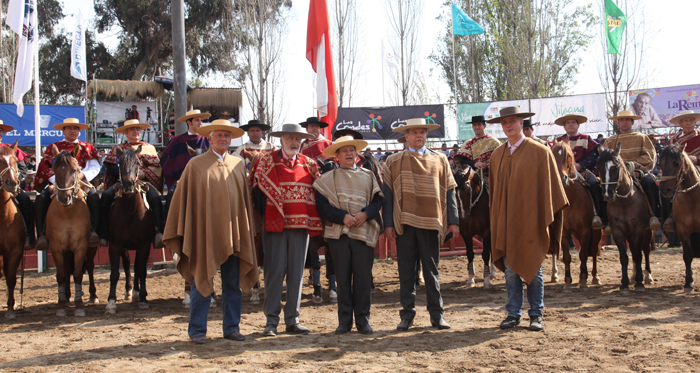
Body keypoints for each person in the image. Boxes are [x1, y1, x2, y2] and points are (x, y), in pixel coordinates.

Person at [163, 119, 259, 344]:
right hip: (205, 234)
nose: (223, 139)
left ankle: (232, 328)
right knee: (201, 279)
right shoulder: (195, 165)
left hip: (235, 235)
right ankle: (197, 330)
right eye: (219, 135)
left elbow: (243, 202)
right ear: (209, 138)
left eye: (227, 136)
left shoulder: (237, 165)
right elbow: (183, 200)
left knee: (232, 284)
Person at [487, 106, 568, 332]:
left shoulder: (540, 151)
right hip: (506, 220)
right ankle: (513, 313)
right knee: (511, 267)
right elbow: (495, 195)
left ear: (522, 123)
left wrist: (541, 216)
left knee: (533, 267)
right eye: (504, 123)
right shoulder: (497, 155)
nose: (508, 126)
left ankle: (536, 314)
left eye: (512, 121)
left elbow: (552, 189)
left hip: (532, 219)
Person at [382, 118, 459, 331]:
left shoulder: (441, 160)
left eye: (422, 132)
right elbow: (387, 195)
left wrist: (453, 221)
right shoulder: (393, 161)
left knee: (431, 270)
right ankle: (407, 315)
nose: (419, 135)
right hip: (404, 223)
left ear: (427, 135)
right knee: (406, 271)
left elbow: (450, 191)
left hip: (432, 221)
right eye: (414, 132)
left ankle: (437, 315)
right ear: (406, 136)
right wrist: (388, 224)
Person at [250, 123, 323, 336]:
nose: (294, 142)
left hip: (301, 226)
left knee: (297, 273)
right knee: (274, 272)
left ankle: (293, 319)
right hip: (275, 226)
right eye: (290, 138)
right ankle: (271, 321)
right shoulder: (267, 161)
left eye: (297, 139)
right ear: (281, 139)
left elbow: (320, 193)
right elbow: (257, 193)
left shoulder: (309, 164)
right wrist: (268, 217)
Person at [314, 135, 384, 335]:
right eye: (344, 151)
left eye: (352, 150)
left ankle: (363, 321)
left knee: (362, 280)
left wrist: (366, 214)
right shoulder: (327, 178)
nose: (349, 154)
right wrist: (342, 217)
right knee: (342, 280)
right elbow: (322, 206)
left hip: (363, 234)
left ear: (357, 153)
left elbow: (378, 200)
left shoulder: (369, 176)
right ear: (336, 155)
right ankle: (344, 322)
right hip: (340, 236)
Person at [34, 118, 101, 250]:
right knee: (41, 199)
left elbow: (95, 166)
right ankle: (42, 234)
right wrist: (58, 182)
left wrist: (82, 176)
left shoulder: (87, 147)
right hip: (58, 183)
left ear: (79, 131)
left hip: (82, 182)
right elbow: (45, 168)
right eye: (69, 128)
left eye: (75, 128)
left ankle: (95, 231)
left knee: (94, 198)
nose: (72, 131)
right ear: (63, 131)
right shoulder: (53, 147)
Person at [100, 119, 165, 248]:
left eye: (137, 129)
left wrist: (143, 173)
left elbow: (157, 167)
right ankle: (103, 233)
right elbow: (111, 168)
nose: (135, 132)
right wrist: (123, 174)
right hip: (122, 181)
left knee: (155, 199)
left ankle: (159, 231)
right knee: (106, 197)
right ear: (125, 132)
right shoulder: (117, 149)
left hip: (143, 182)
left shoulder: (149, 148)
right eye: (132, 129)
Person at [603, 110, 663, 231]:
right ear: (618, 123)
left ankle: (655, 216)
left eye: (627, 120)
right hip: (616, 175)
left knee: (650, 183)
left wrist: (631, 166)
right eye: (622, 120)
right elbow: (605, 160)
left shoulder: (642, 138)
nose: (624, 122)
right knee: (603, 187)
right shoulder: (610, 140)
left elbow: (650, 157)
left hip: (638, 172)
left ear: (632, 122)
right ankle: (606, 220)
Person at [554, 113, 606, 229]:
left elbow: (594, 154)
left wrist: (580, 165)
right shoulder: (558, 140)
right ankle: (550, 217)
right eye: (568, 123)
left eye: (573, 122)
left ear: (578, 125)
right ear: (564, 126)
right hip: (563, 173)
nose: (570, 124)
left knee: (595, 185)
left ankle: (599, 216)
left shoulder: (586, 139)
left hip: (583, 172)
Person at [662, 110, 700, 231]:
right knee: (666, 186)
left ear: (695, 122)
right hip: (678, 170)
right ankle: (670, 217)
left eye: (691, 120)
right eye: (685, 121)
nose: (688, 123)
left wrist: (697, 158)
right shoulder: (673, 140)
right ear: (680, 124)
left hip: (698, 166)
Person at [0, 120, 34, 249]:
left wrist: (15, 178)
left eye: (0, 130)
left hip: (10, 187)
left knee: (25, 200)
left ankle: (29, 236)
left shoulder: (10, 148)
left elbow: (23, 169)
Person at [160, 109, 211, 190]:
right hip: (180, 183)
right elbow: (164, 160)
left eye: (201, 120)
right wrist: (174, 179)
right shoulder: (176, 140)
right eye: (197, 120)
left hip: (204, 182)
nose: (200, 123)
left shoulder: (207, 140)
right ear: (189, 122)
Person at [454, 115, 501, 179]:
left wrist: (487, 166)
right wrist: (474, 164)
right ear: (472, 127)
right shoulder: (468, 143)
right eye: (474, 125)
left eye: (479, 124)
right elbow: (463, 161)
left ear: (484, 126)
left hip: (493, 176)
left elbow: (501, 159)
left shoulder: (494, 142)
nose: (477, 127)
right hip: (474, 178)